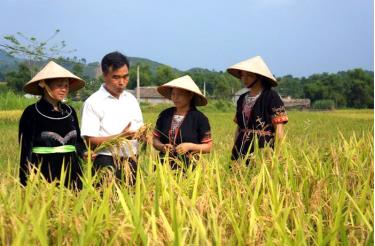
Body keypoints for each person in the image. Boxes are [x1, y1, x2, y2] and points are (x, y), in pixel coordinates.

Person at [19, 61, 86, 189]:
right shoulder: (32, 112)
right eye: (59, 85)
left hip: (72, 171)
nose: (64, 89)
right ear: (45, 85)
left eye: (66, 85)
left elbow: (77, 142)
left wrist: (84, 152)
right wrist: (24, 183)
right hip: (44, 171)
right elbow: (25, 150)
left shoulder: (70, 111)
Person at [81, 51, 143, 185]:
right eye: (116, 77)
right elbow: (90, 140)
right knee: (106, 203)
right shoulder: (93, 102)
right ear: (104, 75)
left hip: (132, 160)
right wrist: (120, 136)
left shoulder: (131, 99)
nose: (122, 82)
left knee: (132, 202)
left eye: (125, 77)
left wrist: (144, 135)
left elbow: (140, 129)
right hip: (106, 161)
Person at [227, 56, 288, 165]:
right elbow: (239, 127)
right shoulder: (242, 98)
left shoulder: (271, 97)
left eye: (249, 76)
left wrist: (278, 154)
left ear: (259, 77)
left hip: (263, 148)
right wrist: (236, 147)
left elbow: (279, 129)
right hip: (241, 147)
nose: (244, 79)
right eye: (242, 75)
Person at [152, 75, 212, 170]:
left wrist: (189, 146)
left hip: (189, 166)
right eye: (173, 94)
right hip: (163, 166)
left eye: (180, 94)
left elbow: (208, 147)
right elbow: (155, 140)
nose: (175, 98)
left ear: (190, 95)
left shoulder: (200, 118)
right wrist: (162, 146)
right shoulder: (165, 115)